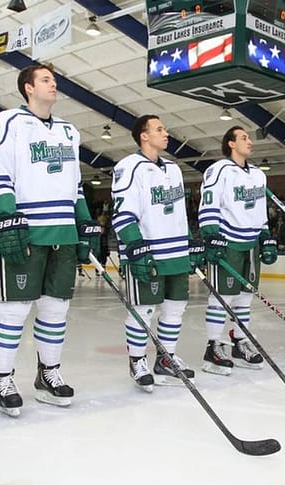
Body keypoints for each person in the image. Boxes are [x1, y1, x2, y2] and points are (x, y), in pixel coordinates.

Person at [0, 64, 95, 416]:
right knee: (14, 309)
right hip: (26, 230)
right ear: (28, 88)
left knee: (55, 309)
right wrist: (5, 214)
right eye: (46, 79)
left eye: (54, 79)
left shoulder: (68, 131)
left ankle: (49, 373)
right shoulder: (8, 122)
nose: (53, 84)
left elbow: (76, 185)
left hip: (62, 232)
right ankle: (1, 376)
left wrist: (86, 224)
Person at [112, 115, 193, 391]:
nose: (166, 133)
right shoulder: (129, 167)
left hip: (176, 252)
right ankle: (137, 360)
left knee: (175, 308)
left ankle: (166, 359)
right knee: (142, 309)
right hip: (148, 251)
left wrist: (190, 243)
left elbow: (180, 211)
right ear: (143, 136)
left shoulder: (174, 169)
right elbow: (122, 213)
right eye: (159, 129)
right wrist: (134, 245)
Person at [197, 126, 277, 375]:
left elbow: (260, 210)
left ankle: (239, 343)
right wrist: (211, 235)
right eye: (243, 137)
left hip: (250, 243)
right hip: (228, 241)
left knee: (245, 298)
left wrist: (265, 236)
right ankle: (213, 347)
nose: (249, 141)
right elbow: (209, 202)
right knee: (222, 298)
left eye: (249, 137)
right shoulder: (219, 170)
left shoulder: (258, 175)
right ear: (231, 143)